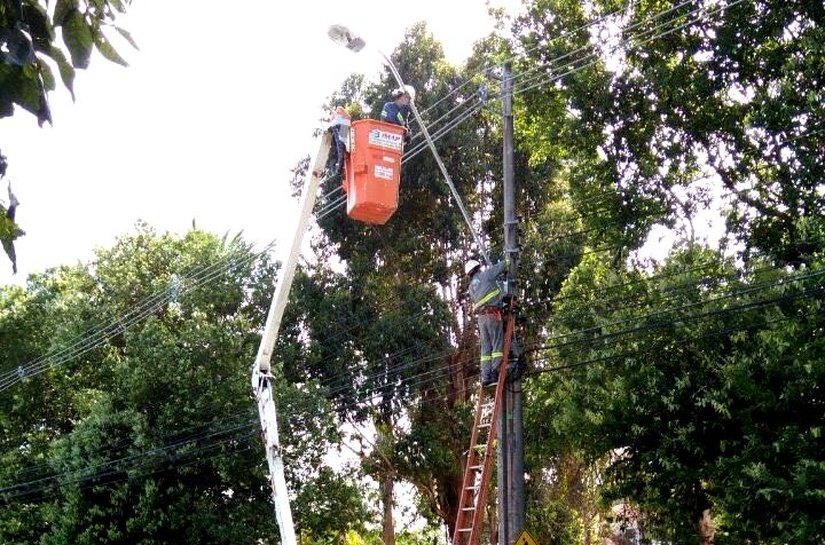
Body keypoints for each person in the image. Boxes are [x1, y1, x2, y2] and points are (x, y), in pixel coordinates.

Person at [465, 257, 508, 386]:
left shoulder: (470, 288)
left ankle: (485, 376)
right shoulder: (486, 275)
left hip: (481, 319)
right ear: (478, 268)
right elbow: (503, 265)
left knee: (485, 348)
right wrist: (510, 257)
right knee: (497, 344)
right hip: (493, 314)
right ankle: (495, 372)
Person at [329, 106, 351, 175]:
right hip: (344, 125)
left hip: (339, 125)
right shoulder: (343, 115)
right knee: (342, 145)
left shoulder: (338, 112)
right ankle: (339, 167)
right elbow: (348, 118)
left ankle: (338, 169)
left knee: (340, 147)